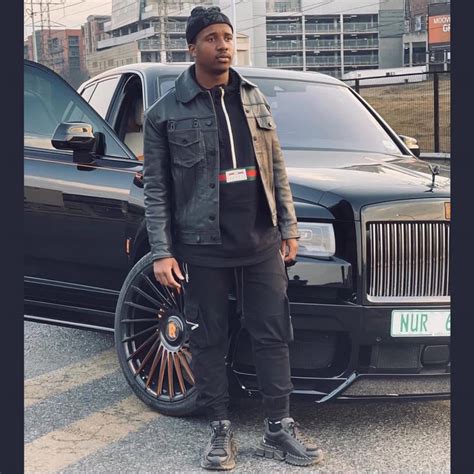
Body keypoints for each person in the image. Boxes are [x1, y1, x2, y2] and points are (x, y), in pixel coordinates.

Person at [143, 6, 324, 470]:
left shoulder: (254, 99)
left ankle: (278, 427)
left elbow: (276, 167)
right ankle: (220, 429)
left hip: (260, 240)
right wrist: (162, 251)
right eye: (211, 38)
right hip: (203, 244)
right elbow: (157, 189)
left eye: (227, 37)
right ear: (192, 47)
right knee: (208, 338)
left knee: (272, 334)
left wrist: (288, 227)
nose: (222, 45)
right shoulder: (165, 113)